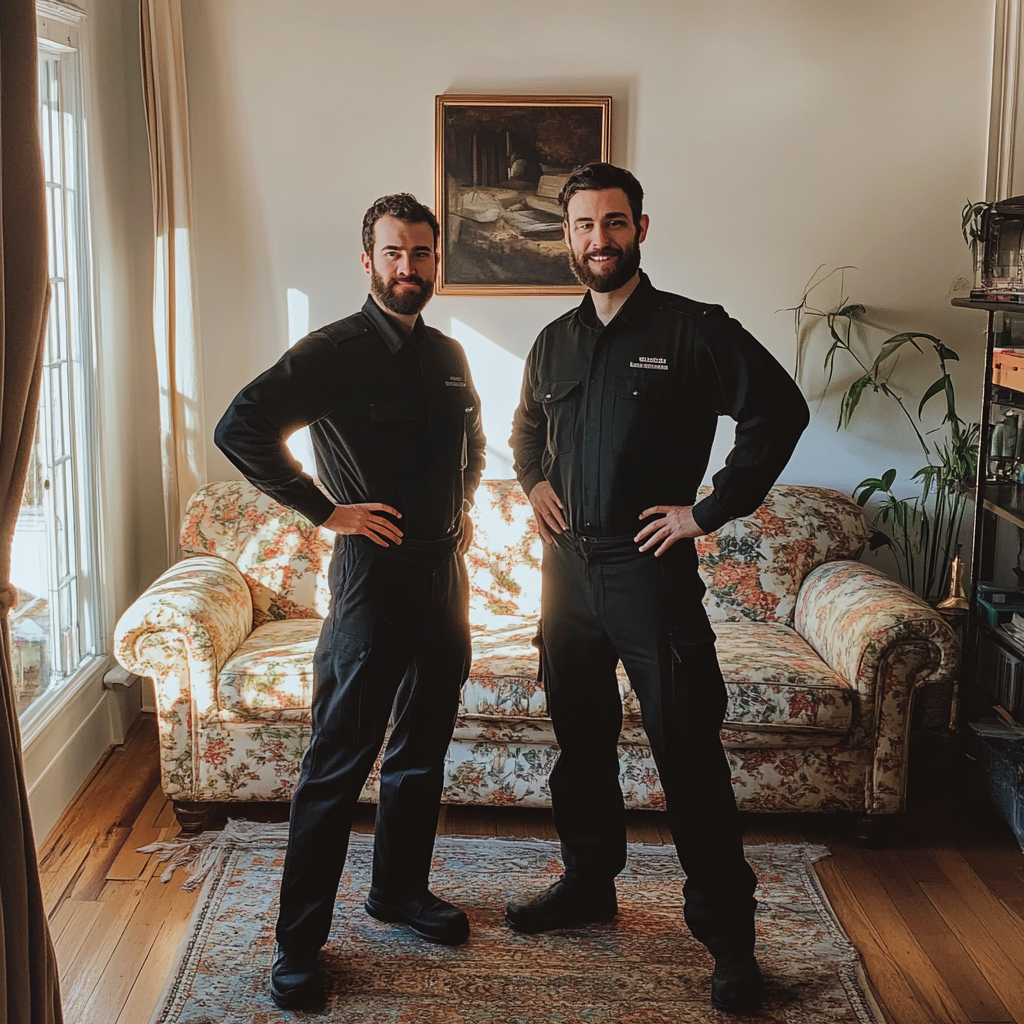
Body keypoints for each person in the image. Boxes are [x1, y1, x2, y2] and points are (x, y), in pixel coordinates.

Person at [507, 162, 809, 1015]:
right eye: (582, 227)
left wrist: (707, 510)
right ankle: (588, 882)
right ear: (565, 237)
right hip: (566, 575)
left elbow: (778, 411)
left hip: (651, 575)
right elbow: (525, 425)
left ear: (641, 226)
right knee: (582, 744)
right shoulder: (554, 341)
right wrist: (531, 479)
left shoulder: (692, 330)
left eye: (612, 223)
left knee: (688, 755)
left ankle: (729, 944)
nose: (597, 240)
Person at [215, 193, 485, 1012]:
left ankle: (398, 893)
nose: (410, 268)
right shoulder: (332, 351)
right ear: (367, 262)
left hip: (446, 581)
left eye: (423, 254)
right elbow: (241, 427)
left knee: (419, 752)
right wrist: (325, 510)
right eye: (395, 254)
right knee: (336, 767)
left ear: (437, 261)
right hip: (372, 582)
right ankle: (298, 947)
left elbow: (469, 447)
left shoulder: (445, 353)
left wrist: (462, 507)